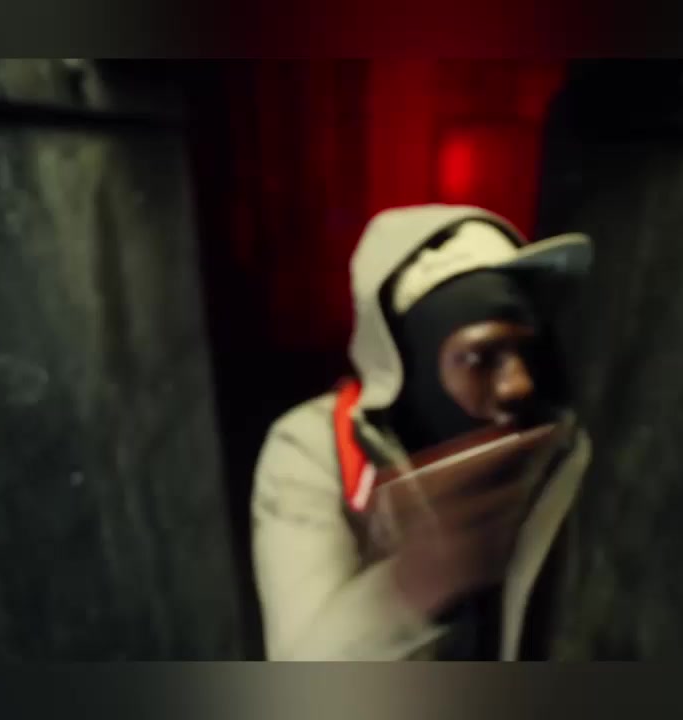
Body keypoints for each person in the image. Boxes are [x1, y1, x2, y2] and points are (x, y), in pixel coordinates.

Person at [251, 204, 593, 661]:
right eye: (480, 358)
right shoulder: (312, 451)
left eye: (525, 351)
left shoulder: (557, 448)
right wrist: (417, 582)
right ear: (410, 366)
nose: (520, 384)